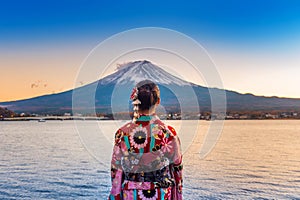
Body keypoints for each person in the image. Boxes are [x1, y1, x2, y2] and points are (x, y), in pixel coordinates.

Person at [108, 80, 183, 200]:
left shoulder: (122, 133)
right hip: (161, 194)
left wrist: (116, 195)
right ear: (158, 101)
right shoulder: (168, 133)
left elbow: (115, 170)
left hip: (130, 194)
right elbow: (177, 170)